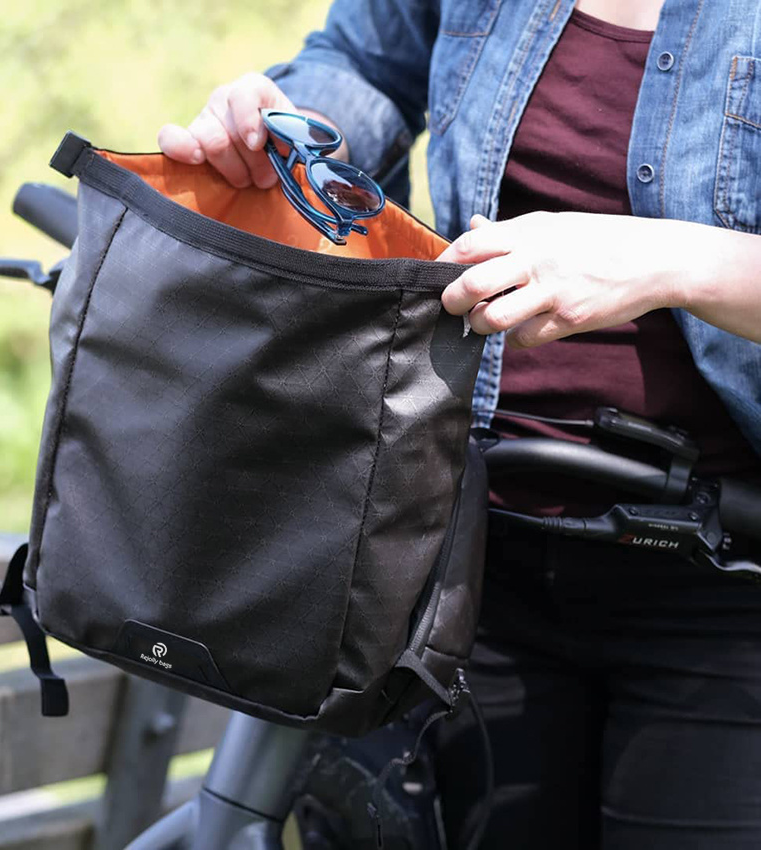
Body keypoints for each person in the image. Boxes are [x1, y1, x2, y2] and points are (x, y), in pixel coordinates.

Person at [158, 1, 761, 846]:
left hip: (727, 585)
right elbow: (368, 64)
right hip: (464, 559)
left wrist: (669, 263)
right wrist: (285, 127)